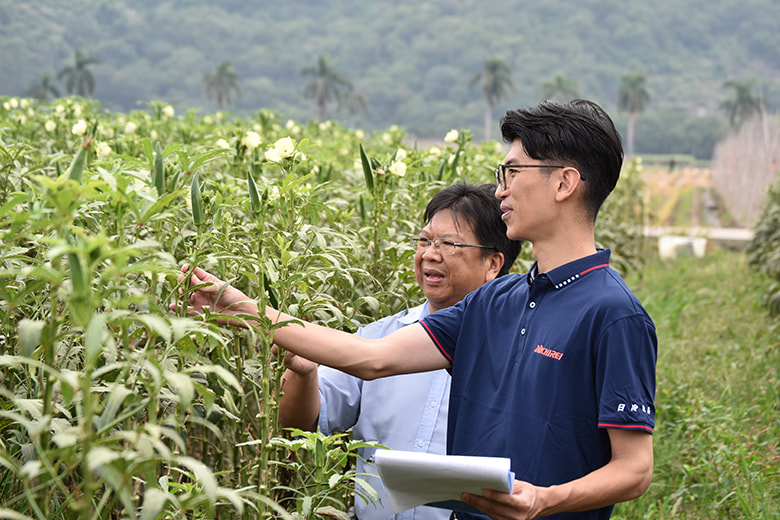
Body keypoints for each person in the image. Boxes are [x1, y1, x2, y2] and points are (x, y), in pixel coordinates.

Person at [179, 99, 657, 520]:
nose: (501, 191)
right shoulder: (496, 301)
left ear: (565, 183)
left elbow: (634, 470)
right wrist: (241, 307)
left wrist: (546, 500)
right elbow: (371, 357)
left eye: (512, 172)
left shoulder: (612, 314)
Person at [278, 183, 523, 520]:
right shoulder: (378, 338)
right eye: (425, 241)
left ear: (493, 263)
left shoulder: (521, 349)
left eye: (449, 244)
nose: (430, 254)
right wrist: (303, 372)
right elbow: (302, 422)